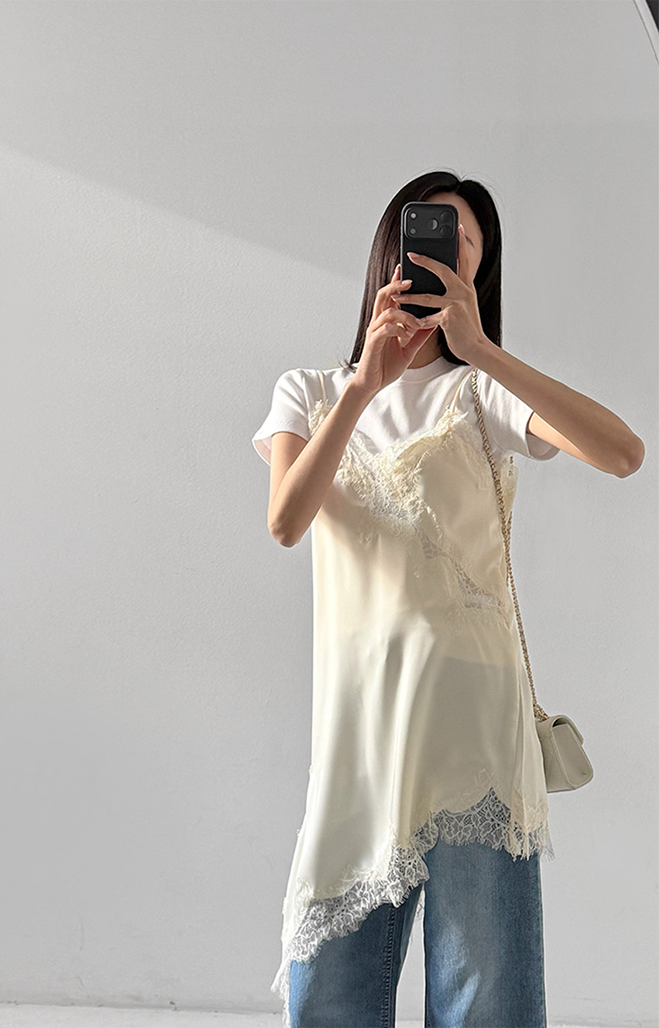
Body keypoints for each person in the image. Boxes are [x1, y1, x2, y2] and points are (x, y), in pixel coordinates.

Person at [250, 170, 645, 1028]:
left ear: (477, 271)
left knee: (485, 1006)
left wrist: (484, 351)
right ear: (391, 248)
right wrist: (364, 384)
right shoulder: (310, 392)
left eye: (464, 242)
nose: (444, 249)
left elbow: (623, 453)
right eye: (429, 230)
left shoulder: (482, 392)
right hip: (360, 734)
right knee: (328, 1000)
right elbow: (285, 522)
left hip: (476, 734)